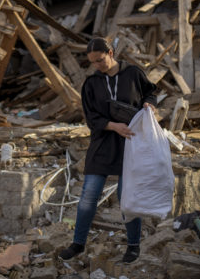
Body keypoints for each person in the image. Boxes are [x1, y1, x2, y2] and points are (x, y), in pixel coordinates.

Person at [59, 37, 157, 263]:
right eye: (93, 62)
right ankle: (78, 244)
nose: (97, 66)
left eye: (100, 60)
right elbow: (91, 118)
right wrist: (114, 126)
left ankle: (133, 246)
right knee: (88, 197)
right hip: (102, 143)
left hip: (130, 144)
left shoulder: (133, 73)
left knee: (127, 198)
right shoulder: (91, 84)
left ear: (111, 53)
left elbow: (150, 92)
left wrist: (149, 103)